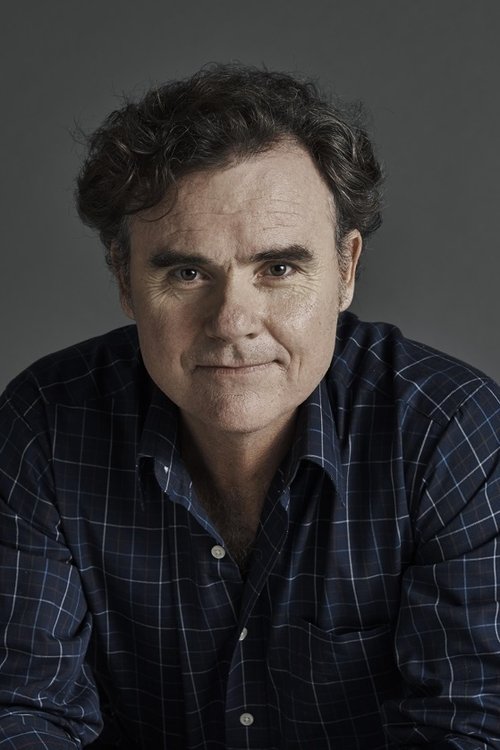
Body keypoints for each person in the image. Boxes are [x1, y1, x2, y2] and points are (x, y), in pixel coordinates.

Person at [0, 64, 499, 750]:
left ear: (346, 270)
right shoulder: (45, 427)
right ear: (124, 278)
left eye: (279, 268)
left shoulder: (452, 435)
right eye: (187, 272)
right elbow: (22, 713)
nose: (233, 322)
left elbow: (471, 729)